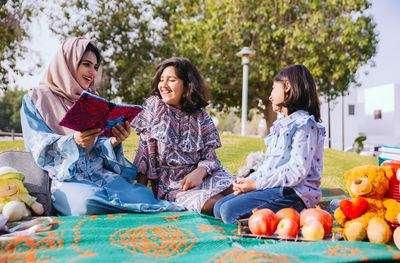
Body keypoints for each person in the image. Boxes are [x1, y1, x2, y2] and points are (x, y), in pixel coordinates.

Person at [20, 37, 184, 216]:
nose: (92, 72)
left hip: (97, 174)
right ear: (67, 63)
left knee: (143, 194)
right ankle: (118, 206)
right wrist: (74, 141)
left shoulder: (91, 99)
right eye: (86, 64)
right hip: (64, 179)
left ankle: (118, 204)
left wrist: (113, 141)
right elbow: (37, 146)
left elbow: (98, 146)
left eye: (95, 67)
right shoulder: (35, 100)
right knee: (87, 203)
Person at [214, 64, 326, 224]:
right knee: (219, 207)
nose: (270, 96)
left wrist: (256, 185)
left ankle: (284, 222)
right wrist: (250, 181)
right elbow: (271, 167)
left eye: (274, 89)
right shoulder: (281, 126)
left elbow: (296, 172)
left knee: (228, 212)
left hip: (294, 194)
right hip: (275, 189)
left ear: (287, 87)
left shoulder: (304, 125)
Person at [131, 57, 236, 215]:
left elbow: (210, 158)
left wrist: (199, 172)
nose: (163, 86)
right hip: (172, 186)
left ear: (187, 85)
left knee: (241, 190)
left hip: (205, 176)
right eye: (161, 80)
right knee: (213, 203)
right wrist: (140, 194)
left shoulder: (201, 117)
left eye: (171, 80)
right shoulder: (154, 107)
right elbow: (144, 154)